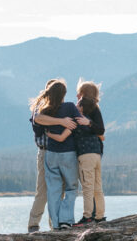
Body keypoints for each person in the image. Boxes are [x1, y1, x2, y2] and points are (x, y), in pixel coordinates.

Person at [27, 79, 79, 232]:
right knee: (43, 190)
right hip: (45, 152)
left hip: (58, 152)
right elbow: (38, 118)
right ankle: (34, 224)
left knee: (58, 189)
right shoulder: (42, 108)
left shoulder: (59, 107)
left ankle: (54, 224)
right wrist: (62, 121)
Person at [52, 79, 106, 226]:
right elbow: (101, 132)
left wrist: (50, 133)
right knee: (97, 187)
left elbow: (64, 136)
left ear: (82, 97)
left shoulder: (78, 117)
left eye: (79, 95)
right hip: (96, 154)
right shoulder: (95, 111)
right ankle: (100, 216)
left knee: (87, 187)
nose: (76, 99)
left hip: (85, 155)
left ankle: (87, 217)